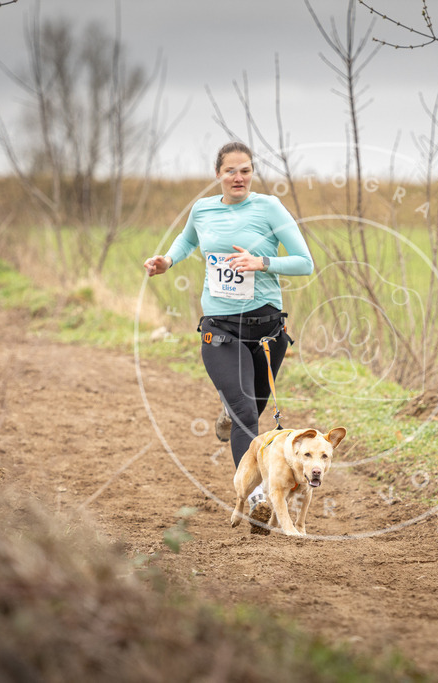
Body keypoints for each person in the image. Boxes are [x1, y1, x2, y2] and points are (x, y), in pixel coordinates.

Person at [143, 141, 314, 529]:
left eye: (245, 170)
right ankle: (257, 499)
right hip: (219, 327)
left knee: (248, 407)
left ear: (252, 173)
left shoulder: (269, 208)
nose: (238, 177)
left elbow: (305, 263)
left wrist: (262, 262)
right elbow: (187, 241)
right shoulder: (202, 209)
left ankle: (229, 405)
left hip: (267, 330)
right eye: (230, 171)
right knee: (245, 415)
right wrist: (166, 260)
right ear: (217, 174)